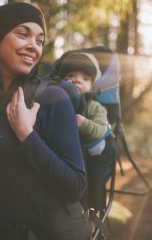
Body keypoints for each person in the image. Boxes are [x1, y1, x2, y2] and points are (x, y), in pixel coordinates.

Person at [0, 2, 91, 240]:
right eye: (23, 34)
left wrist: (26, 134)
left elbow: (76, 185)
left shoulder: (52, 98)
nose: (33, 46)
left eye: (39, 40)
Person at [58, 52, 110, 213]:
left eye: (85, 78)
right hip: (69, 153)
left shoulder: (94, 107)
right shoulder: (57, 102)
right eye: (71, 75)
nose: (77, 80)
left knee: (94, 182)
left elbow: (101, 129)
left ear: (92, 86)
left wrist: (84, 123)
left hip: (93, 152)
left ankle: (93, 210)